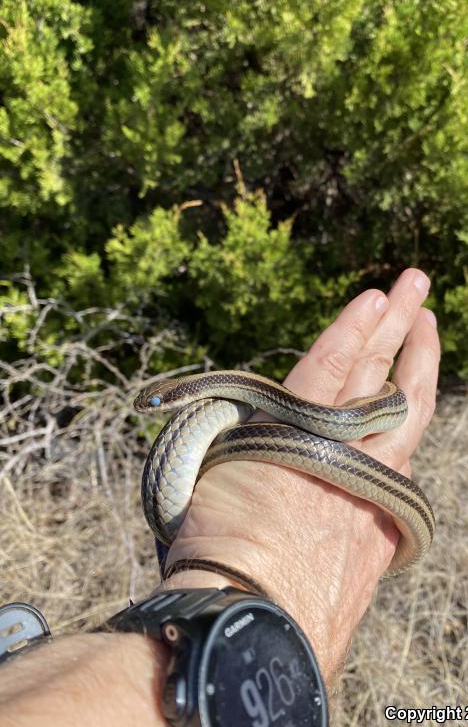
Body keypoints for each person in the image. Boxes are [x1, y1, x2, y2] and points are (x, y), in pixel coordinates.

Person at [0, 268, 440, 725]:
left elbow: (322, 419)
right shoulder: (228, 394)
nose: (151, 409)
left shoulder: (234, 393)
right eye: (155, 404)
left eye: (155, 404)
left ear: (177, 397)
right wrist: (241, 566)